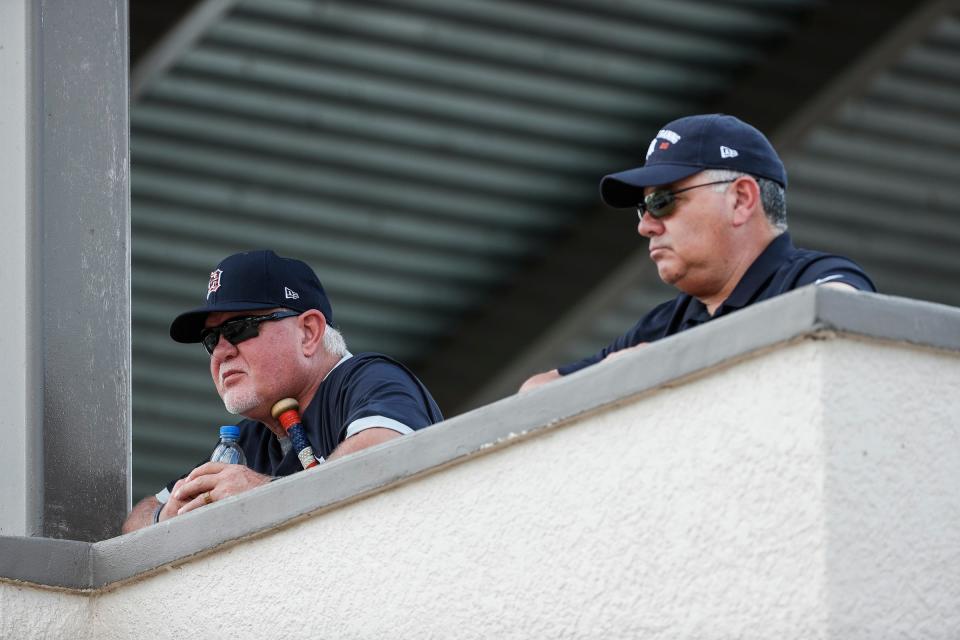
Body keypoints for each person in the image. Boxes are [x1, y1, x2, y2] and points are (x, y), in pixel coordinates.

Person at [520, 113, 875, 392]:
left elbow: (841, 314)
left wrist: (666, 363)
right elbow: (536, 391)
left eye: (661, 202)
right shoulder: (666, 324)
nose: (645, 226)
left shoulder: (814, 279)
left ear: (741, 200)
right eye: (643, 209)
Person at [122, 250, 443, 532]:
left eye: (238, 328)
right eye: (211, 340)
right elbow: (136, 520)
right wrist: (168, 515)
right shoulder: (249, 439)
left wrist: (262, 494)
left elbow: (379, 460)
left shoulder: (369, 379)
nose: (221, 352)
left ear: (308, 332)